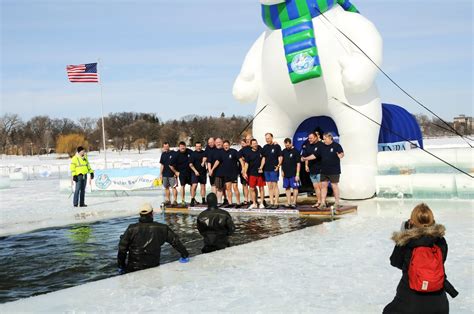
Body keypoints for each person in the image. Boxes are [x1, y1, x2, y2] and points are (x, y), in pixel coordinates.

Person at [383, 203, 453, 314]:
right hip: (439, 304)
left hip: (409, 302)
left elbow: (395, 262)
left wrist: (403, 234)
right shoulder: (440, 241)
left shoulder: (406, 242)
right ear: (432, 221)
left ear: (411, 222)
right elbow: (441, 260)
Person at [117, 203, 189, 273]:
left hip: (133, 267)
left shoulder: (131, 228)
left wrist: (121, 266)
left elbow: (122, 249)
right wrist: (184, 254)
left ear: (140, 215)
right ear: (152, 213)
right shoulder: (162, 228)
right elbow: (175, 242)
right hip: (153, 265)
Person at [319, 133, 344, 209]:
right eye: (323, 139)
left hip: (334, 170)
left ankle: (337, 203)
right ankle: (323, 203)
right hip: (324, 170)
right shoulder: (322, 146)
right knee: (323, 186)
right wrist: (306, 158)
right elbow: (316, 155)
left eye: (325, 139)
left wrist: (340, 155)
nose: (324, 140)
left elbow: (342, 154)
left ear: (330, 138)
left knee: (334, 186)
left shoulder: (336, 146)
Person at [213, 140, 241, 207]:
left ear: (229, 145)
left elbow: (240, 160)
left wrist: (243, 169)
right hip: (226, 174)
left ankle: (238, 203)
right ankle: (230, 203)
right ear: (223, 146)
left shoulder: (234, 151)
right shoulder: (221, 152)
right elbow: (217, 161)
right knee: (228, 188)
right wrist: (212, 169)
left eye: (227, 145)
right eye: (224, 146)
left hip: (234, 173)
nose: (226, 147)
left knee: (235, 187)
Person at [301, 132, 324, 208]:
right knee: (316, 187)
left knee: (321, 187)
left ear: (316, 137)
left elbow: (314, 156)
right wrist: (306, 165)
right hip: (312, 169)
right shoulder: (308, 145)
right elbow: (305, 155)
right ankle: (319, 201)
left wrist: (305, 159)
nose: (309, 139)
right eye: (309, 138)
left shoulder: (320, 145)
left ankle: (323, 202)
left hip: (320, 169)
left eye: (311, 138)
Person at [242, 139, 265, 209]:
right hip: (252, 173)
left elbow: (264, 158)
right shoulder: (249, 153)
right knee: (251, 188)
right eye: (253, 144)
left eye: (256, 143)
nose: (255, 145)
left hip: (260, 173)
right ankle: (254, 203)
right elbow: (246, 163)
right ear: (251, 145)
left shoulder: (260, 149)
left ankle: (261, 203)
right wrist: (245, 172)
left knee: (261, 188)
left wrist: (261, 167)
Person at [260, 133, 282, 209]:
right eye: (266, 138)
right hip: (266, 169)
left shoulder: (277, 146)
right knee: (269, 186)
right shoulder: (265, 147)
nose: (267, 140)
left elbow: (280, 157)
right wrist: (261, 167)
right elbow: (263, 158)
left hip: (274, 168)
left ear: (272, 138)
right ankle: (271, 202)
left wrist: (278, 166)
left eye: (268, 138)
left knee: (275, 185)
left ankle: (276, 202)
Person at [170, 142, 193, 206]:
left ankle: (192, 199)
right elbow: (170, 165)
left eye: (184, 146)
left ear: (185, 146)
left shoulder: (189, 151)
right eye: (181, 146)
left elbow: (195, 156)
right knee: (182, 186)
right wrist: (176, 172)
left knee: (192, 186)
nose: (182, 148)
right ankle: (183, 200)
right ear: (179, 147)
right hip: (182, 173)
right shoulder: (176, 154)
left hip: (190, 172)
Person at [281, 138, 301, 208]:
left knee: (295, 187)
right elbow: (282, 162)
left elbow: (298, 164)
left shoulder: (296, 151)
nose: (287, 147)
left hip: (294, 173)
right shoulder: (283, 151)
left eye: (288, 145)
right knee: (287, 187)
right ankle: (289, 202)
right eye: (286, 145)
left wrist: (297, 174)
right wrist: (282, 171)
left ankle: (294, 202)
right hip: (286, 173)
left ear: (291, 143)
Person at [208, 138, 227, 205]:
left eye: (220, 142)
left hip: (223, 172)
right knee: (215, 187)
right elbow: (209, 161)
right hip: (215, 172)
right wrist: (210, 170)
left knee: (221, 187)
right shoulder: (212, 151)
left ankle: (220, 201)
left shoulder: (224, 150)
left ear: (222, 142)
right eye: (217, 142)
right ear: (215, 143)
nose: (218, 143)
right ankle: (215, 202)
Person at [189, 141, 207, 206]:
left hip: (203, 172)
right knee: (194, 186)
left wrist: (203, 162)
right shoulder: (193, 154)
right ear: (195, 147)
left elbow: (205, 157)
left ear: (201, 146)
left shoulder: (204, 152)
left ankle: (203, 200)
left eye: (199, 146)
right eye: (197, 146)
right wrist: (195, 171)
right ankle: (192, 200)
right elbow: (190, 164)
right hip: (195, 172)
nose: (198, 148)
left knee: (203, 186)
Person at [238, 138, 251, 206]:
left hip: (250, 170)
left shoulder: (250, 149)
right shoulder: (240, 151)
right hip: (243, 170)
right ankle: (246, 199)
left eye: (244, 143)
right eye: (241, 143)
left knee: (252, 186)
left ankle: (252, 199)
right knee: (244, 185)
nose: (242, 144)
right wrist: (243, 170)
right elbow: (240, 160)